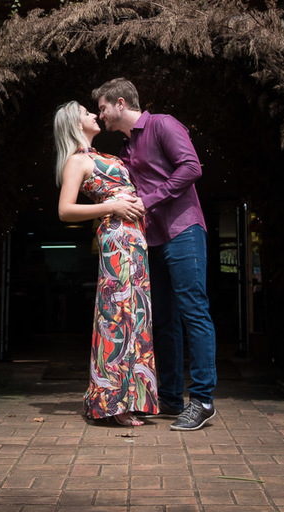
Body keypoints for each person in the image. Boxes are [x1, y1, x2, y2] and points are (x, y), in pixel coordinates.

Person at [92, 78, 217, 432]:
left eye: (102, 108)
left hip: (184, 230)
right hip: (152, 241)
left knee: (194, 310)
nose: (100, 115)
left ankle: (204, 400)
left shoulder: (163, 124)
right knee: (162, 319)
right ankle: (172, 398)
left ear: (120, 103)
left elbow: (191, 168)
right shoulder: (126, 148)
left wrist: (148, 200)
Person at [54, 101, 158, 427]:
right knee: (118, 317)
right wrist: (110, 205)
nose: (94, 116)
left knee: (136, 317)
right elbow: (65, 210)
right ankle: (114, 404)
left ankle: (131, 398)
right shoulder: (76, 161)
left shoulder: (100, 155)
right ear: (74, 124)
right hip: (117, 241)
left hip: (133, 240)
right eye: (87, 113)